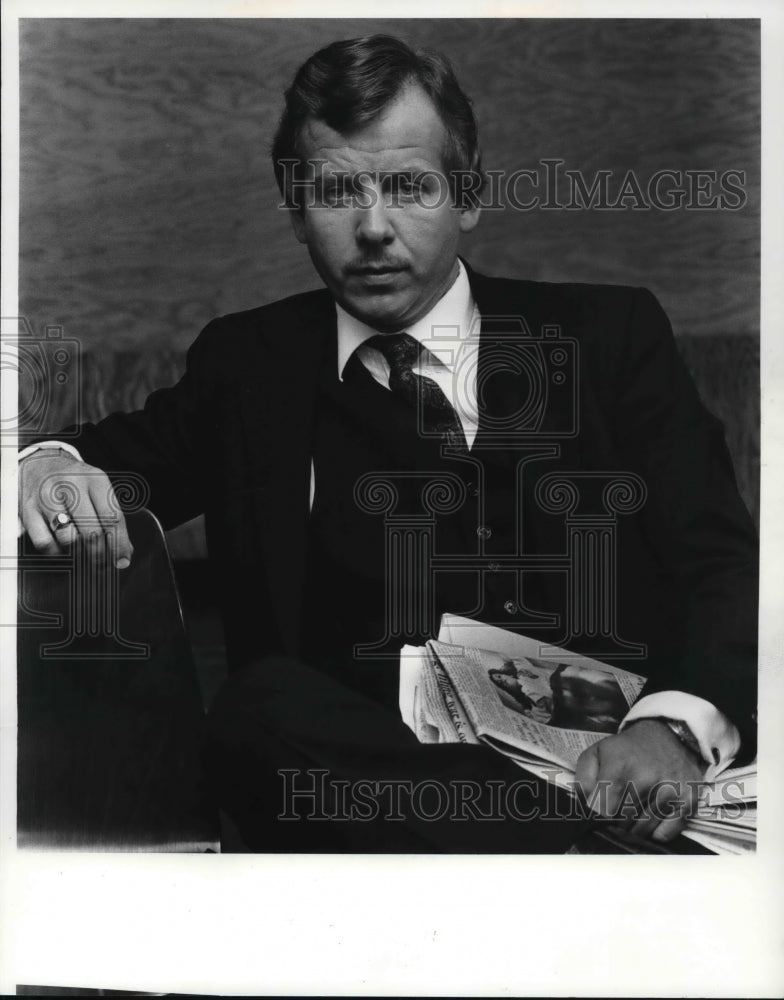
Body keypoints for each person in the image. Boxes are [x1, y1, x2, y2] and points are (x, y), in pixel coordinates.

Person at [17, 34, 758, 852]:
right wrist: (47, 462)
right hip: (367, 788)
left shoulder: (612, 336)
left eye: (408, 185)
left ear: (467, 195)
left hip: (613, 766)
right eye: (336, 191)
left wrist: (676, 729)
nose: (374, 228)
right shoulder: (248, 366)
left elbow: (720, 558)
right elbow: (102, 462)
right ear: (295, 208)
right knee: (257, 710)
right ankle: (559, 845)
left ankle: (558, 834)